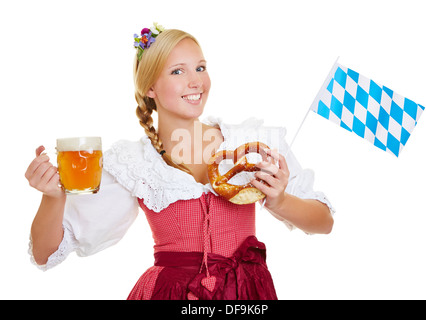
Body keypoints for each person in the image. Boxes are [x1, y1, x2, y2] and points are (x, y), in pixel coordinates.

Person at [25, 24, 335, 300]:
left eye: (200, 68)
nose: (196, 81)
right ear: (150, 89)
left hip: (247, 293)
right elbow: (45, 254)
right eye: (178, 71)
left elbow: (324, 222)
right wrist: (52, 197)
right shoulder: (134, 162)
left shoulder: (252, 143)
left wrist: (279, 200)